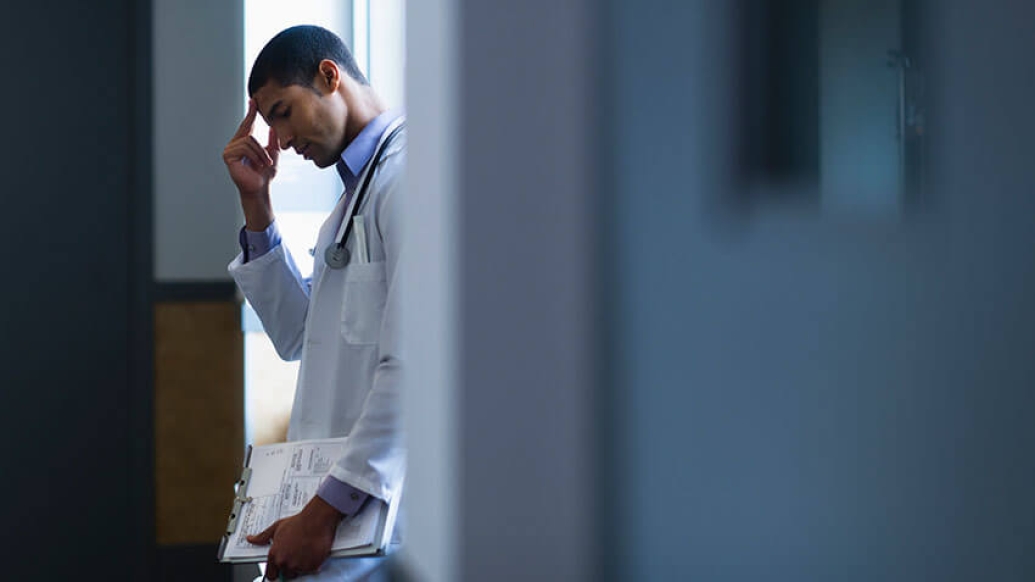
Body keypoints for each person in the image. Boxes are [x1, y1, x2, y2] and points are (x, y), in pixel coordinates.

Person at [222, 25, 405, 581]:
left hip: (372, 517)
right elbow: (301, 334)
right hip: (343, 515)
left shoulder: (408, 180)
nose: (279, 137)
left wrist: (325, 511)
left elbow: (415, 367)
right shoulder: (352, 201)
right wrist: (257, 202)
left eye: (283, 111)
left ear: (330, 76)